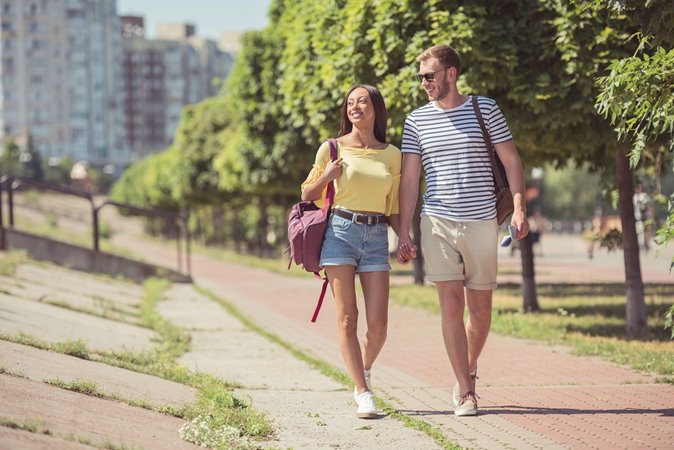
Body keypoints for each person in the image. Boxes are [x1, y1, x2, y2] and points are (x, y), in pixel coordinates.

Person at [396, 45, 529, 416]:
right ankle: (466, 391)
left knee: (481, 312)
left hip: (482, 220)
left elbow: (511, 161)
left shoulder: (484, 109)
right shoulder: (416, 120)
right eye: (421, 76)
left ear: (451, 73)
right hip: (436, 221)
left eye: (430, 75)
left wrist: (519, 209)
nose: (424, 83)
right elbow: (410, 181)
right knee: (451, 304)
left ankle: (466, 369)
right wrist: (404, 230)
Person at [300, 84, 401, 419]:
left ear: (376, 108)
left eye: (363, 101)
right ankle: (363, 392)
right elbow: (307, 193)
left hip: (375, 236)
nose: (356, 107)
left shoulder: (392, 154)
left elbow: (394, 206)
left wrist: (406, 237)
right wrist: (328, 174)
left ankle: (364, 368)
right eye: (350, 103)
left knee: (380, 325)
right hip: (339, 233)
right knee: (347, 318)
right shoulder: (331, 148)